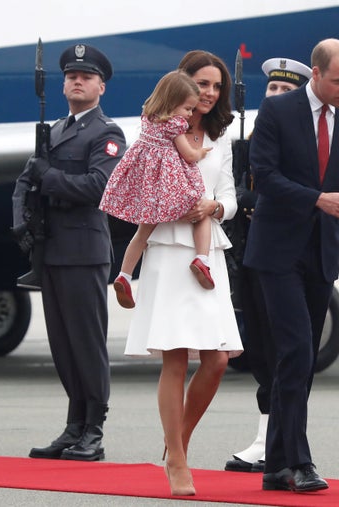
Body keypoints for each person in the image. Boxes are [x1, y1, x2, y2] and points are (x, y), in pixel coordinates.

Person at [244, 38, 339, 492]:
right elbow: (264, 176)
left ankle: (275, 465)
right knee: (298, 351)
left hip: (320, 252)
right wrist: (316, 199)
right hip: (276, 251)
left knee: (297, 362)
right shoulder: (278, 112)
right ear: (317, 75)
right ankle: (299, 461)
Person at [123, 50, 243, 496]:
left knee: (217, 359)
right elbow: (139, 181)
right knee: (175, 357)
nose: (210, 94)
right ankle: (177, 460)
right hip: (167, 248)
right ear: (183, 84)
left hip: (206, 246)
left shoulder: (221, 134)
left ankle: (177, 444)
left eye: (217, 86)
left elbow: (228, 193)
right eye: (203, 85)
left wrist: (215, 207)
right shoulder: (156, 128)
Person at [11, 44, 126, 461]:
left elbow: (100, 187)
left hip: (83, 249)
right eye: (71, 76)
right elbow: (25, 181)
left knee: (86, 342)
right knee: (62, 344)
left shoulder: (107, 133)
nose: (77, 81)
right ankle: (74, 426)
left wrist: (51, 177)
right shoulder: (56, 130)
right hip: (52, 249)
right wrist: (20, 221)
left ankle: (93, 429)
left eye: (86, 76)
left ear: (101, 87)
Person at [224, 56, 312, 474]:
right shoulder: (249, 139)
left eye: (286, 90)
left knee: (281, 351)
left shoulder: (305, 140)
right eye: (272, 89)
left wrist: (252, 199)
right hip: (248, 256)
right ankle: (265, 435)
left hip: (283, 257)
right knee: (258, 350)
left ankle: (274, 441)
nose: (276, 96)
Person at [100, 70, 215, 310]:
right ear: (173, 103)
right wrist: (201, 152)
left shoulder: (148, 117)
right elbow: (189, 155)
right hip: (168, 187)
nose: (190, 114)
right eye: (187, 108)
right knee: (200, 211)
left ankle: (124, 275)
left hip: (148, 190)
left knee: (141, 235)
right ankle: (202, 259)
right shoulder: (174, 124)